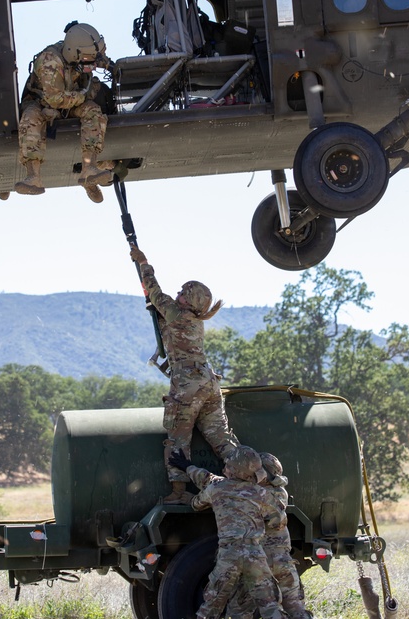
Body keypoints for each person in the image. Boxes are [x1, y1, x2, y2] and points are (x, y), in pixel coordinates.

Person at [130, 246, 239, 504]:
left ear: (188, 300)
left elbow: (153, 291)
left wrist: (143, 262)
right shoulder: (193, 320)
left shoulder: (176, 313)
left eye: (182, 292)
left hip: (187, 384)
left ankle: (179, 492)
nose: (177, 293)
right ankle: (250, 476)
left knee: (177, 438)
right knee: (221, 438)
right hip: (208, 382)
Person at [170, 447, 286, 619]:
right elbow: (279, 519)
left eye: (228, 466)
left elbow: (198, 500)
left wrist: (187, 467)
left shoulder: (216, 488)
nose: (225, 468)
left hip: (229, 555)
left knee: (212, 604)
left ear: (234, 471)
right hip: (255, 555)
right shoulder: (260, 492)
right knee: (270, 606)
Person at [15, 22, 114, 203]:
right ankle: (33, 177)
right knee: (30, 119)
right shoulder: (50, 62)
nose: (91, 64)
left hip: (71, 99)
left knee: (93, 112)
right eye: (87, 61)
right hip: (43, 103)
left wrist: (110, 66)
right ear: (74, 53)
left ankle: (89, 170)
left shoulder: (82, 52)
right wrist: (83, 96)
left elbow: (96, 58)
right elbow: (55, 99)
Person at [227, 453, 313, 619]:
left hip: (259, 563)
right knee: (296, 609)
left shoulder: (253, 494)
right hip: (282, 561)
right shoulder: (280, 491)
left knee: (240, 611)